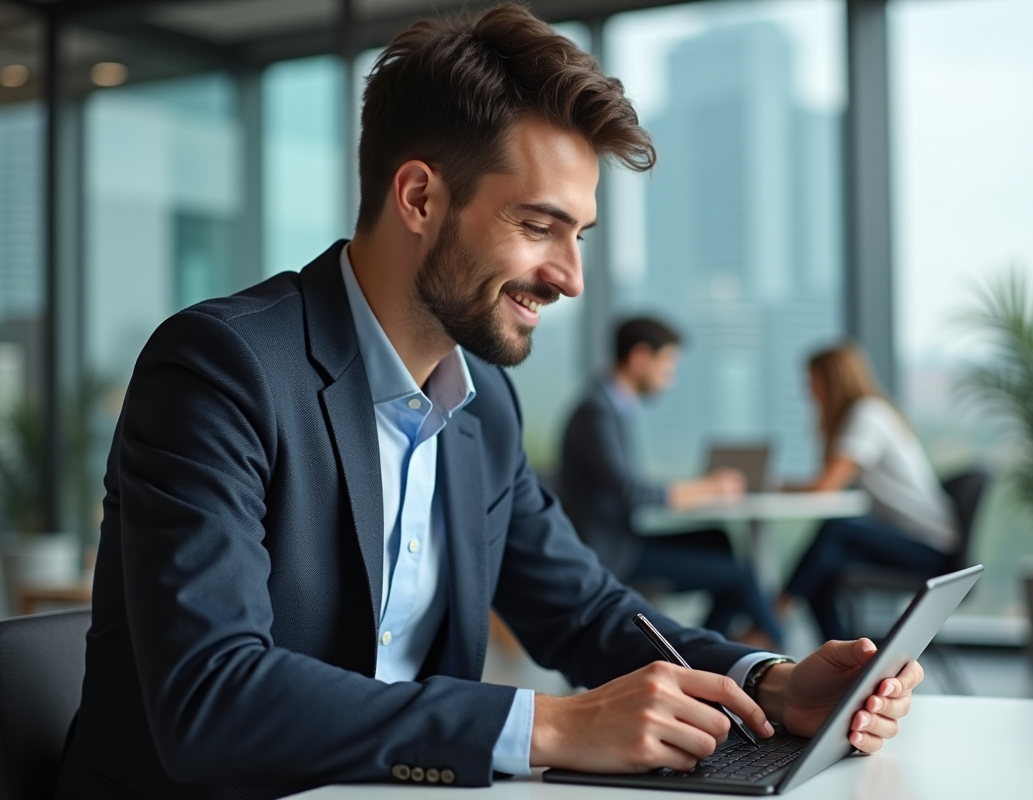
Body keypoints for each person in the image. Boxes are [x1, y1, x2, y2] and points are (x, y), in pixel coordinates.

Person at [55, 8, 922, 799]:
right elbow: (211, 701)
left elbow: (585, 612)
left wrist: (768, 682)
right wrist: (550, 725)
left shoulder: (485, 409)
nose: (571, 278)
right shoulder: (222, 367)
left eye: (578, 236)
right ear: (421, 198)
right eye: (539, 227)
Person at [559, 316, 783, 647]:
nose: (670, 378)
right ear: (639, 357)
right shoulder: (597, 411)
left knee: (717, 540)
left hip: (623, 540)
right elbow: (632, 492)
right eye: (667, 366)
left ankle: (702, 655)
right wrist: (708, 487)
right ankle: (783, 644)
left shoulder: (611, 406)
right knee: (740, 576)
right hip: (612, 554)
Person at [781, 342, 958, 641]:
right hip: (904, 538)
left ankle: (775, 613)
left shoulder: (867, 415)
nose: (808, 391)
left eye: (812, 381)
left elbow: (827, 485)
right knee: (822, 568)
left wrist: (779, 486)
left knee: (835, 531)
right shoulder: (869, 413)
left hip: (929, 547)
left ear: (831, 380)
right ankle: (847, 662)